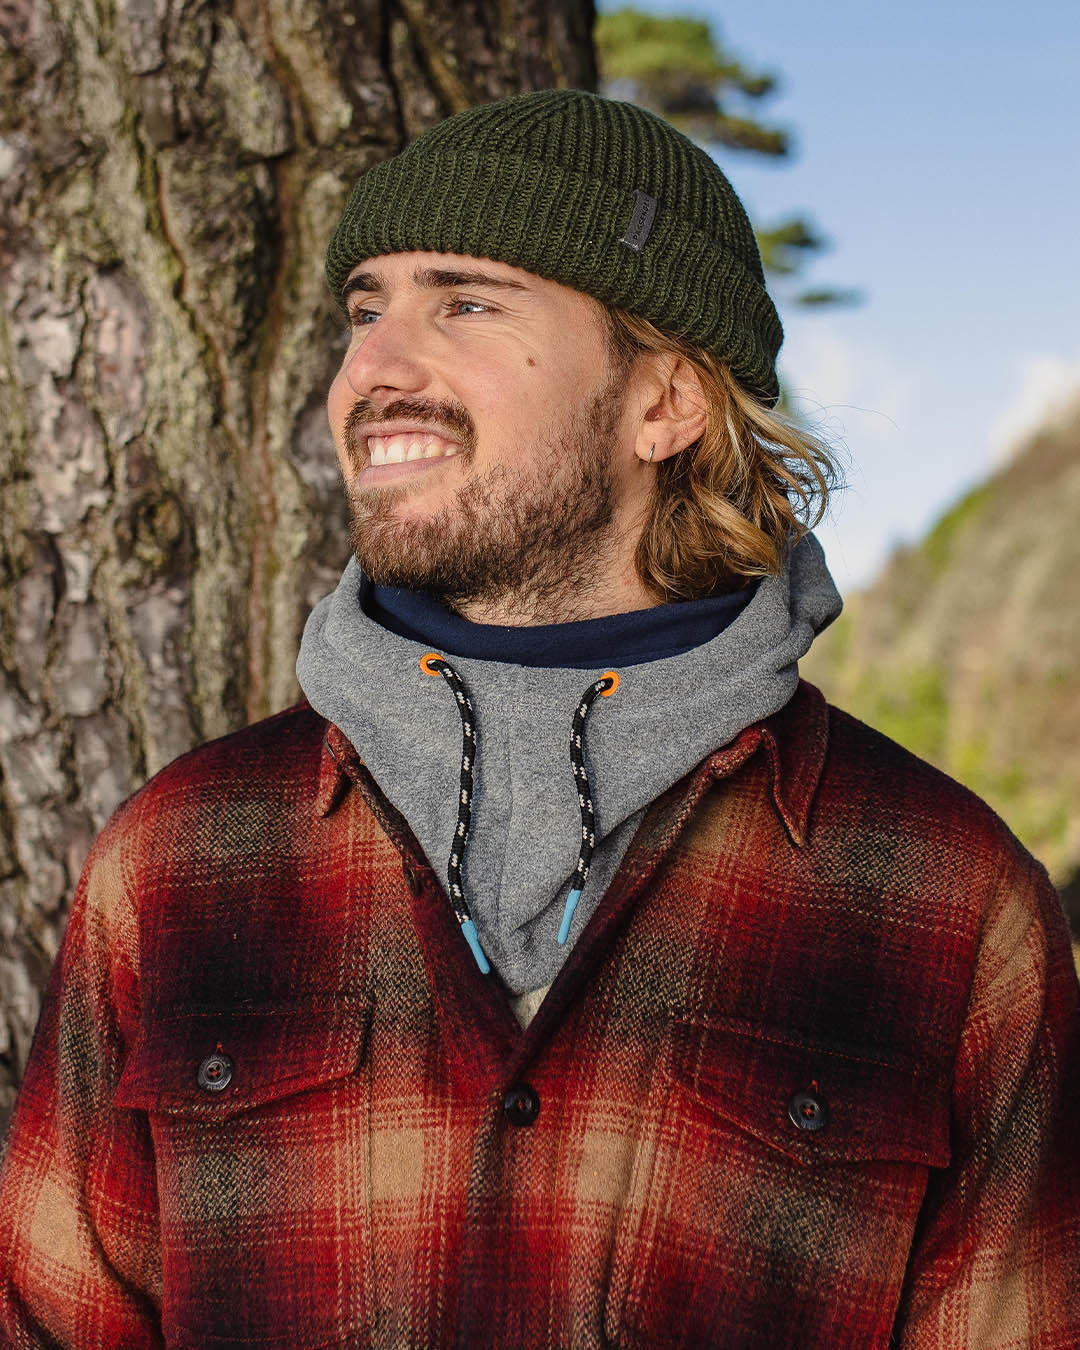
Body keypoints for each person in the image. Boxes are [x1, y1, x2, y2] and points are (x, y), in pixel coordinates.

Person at [0, 89, 1077, 1349]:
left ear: (665, 403)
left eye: (465, 303)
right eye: (366, 310)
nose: (370, 371)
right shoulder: (179, 857)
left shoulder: (947, 900)